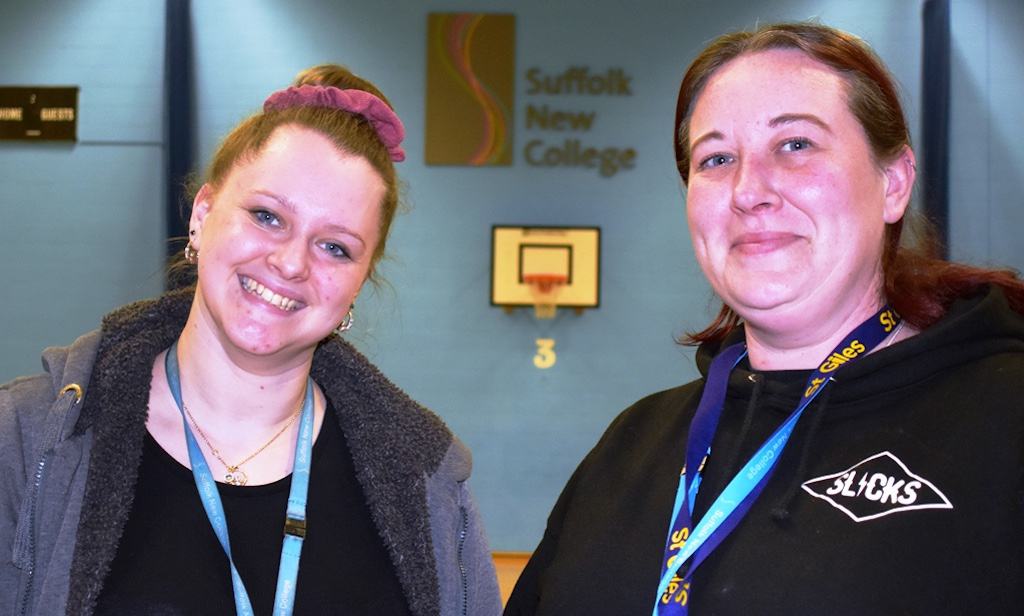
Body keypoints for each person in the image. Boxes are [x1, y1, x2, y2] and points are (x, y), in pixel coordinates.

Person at [506, 22, 1024, 615]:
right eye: (717, 158)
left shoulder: (1005, 420)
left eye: (796, 144)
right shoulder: (632, 445)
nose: (749, 190)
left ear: (894, 182)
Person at [0, 64, 501, 616]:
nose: (289, 262)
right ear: (202, 215)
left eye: (335, 247)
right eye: (267, 216)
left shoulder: (427, 479)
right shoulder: (30, 438)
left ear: (359, 283)